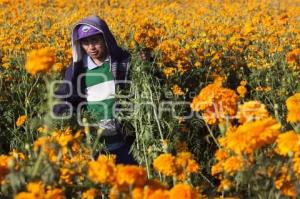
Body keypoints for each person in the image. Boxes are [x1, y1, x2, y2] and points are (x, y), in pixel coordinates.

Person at [53, 15, 136, 164]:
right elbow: (64, 97)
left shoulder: (123, 62)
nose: (91, 47)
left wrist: (147, 61)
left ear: (106, 39)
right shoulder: (76, 71)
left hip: (126, 142)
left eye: (95, 41)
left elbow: (146, 82)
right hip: (96, 144)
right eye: (85, 43)